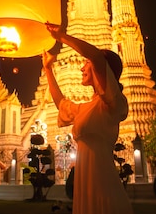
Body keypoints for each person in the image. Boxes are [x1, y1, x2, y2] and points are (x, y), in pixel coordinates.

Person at [42, 22, 133, 214]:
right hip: (85, 178)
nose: (81, 67)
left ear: (102, 70)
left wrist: (62, 37)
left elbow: (96, 56)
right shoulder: (88, 107)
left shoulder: (112, 102)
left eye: (86, 63)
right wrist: (48, 69)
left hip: (101, 177)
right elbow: (62, 104)